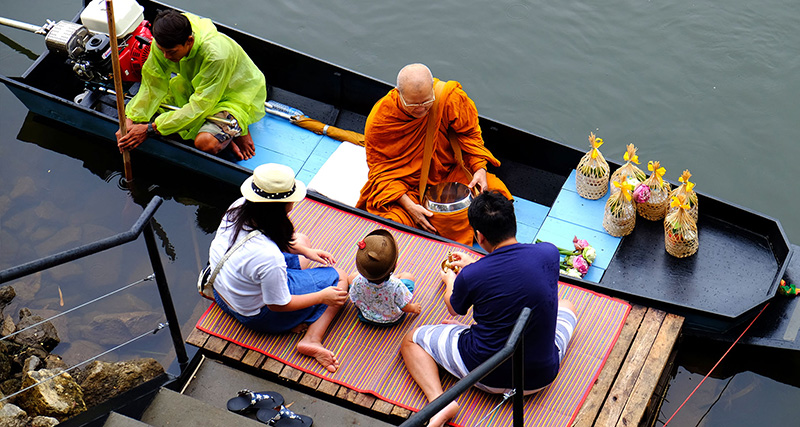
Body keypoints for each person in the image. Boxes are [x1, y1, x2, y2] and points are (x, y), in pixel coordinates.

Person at [400, 191, 578, 427]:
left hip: (484, 372)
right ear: (514, 224)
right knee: (567, 305)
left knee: (411, 340)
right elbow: (513, 276)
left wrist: (451, 279)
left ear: (479, 236)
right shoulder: (549, 253)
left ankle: (440, 402)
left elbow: (453, 307)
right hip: (541, 375)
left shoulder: (472, 275)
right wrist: (475, 268)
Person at [208, 163, 349, 373]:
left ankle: (297, 314)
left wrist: (305, 251)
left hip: (223, 295)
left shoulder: (239, 207)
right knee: (339, 279)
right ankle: (312, 339)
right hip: (256, 315)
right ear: (281, 205)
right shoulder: (268, 257)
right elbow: (277, 305)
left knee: (302, 240)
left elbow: (266, 239)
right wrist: (322, 297)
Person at [356, 63, 512, 245]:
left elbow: (469, 135)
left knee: (496, 194)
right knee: (391, 226)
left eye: (426, 102)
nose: (422, 109)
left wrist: (479, 169)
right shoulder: (381, 119)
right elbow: (380, 171)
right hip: (406, 186)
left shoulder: (448, 98)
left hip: (447, 172)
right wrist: (409, 206)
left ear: (432, 90)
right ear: (398, 93)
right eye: (413, 105)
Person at [116, 10, 266, 161]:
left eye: (171, 52)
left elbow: (201, 105)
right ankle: (224, 130)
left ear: (189, 41)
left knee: (206, 143)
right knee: (142, 118)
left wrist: (150, 129)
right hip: (197, 86)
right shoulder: (164, 41)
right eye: (162, 51)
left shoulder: (216, 55)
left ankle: (237, 126)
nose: (166, 57)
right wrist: (130, 118)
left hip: (233, 93)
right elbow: (153, 83)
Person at [348, 229, 421, 327]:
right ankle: (388, 279)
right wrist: (413, 308)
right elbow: (404, 306)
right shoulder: (396, 286)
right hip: (392, 319)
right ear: (394, 266)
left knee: (352, 276)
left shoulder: (358, 281)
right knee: (408, 276)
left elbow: (354, 300)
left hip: (366, 316)